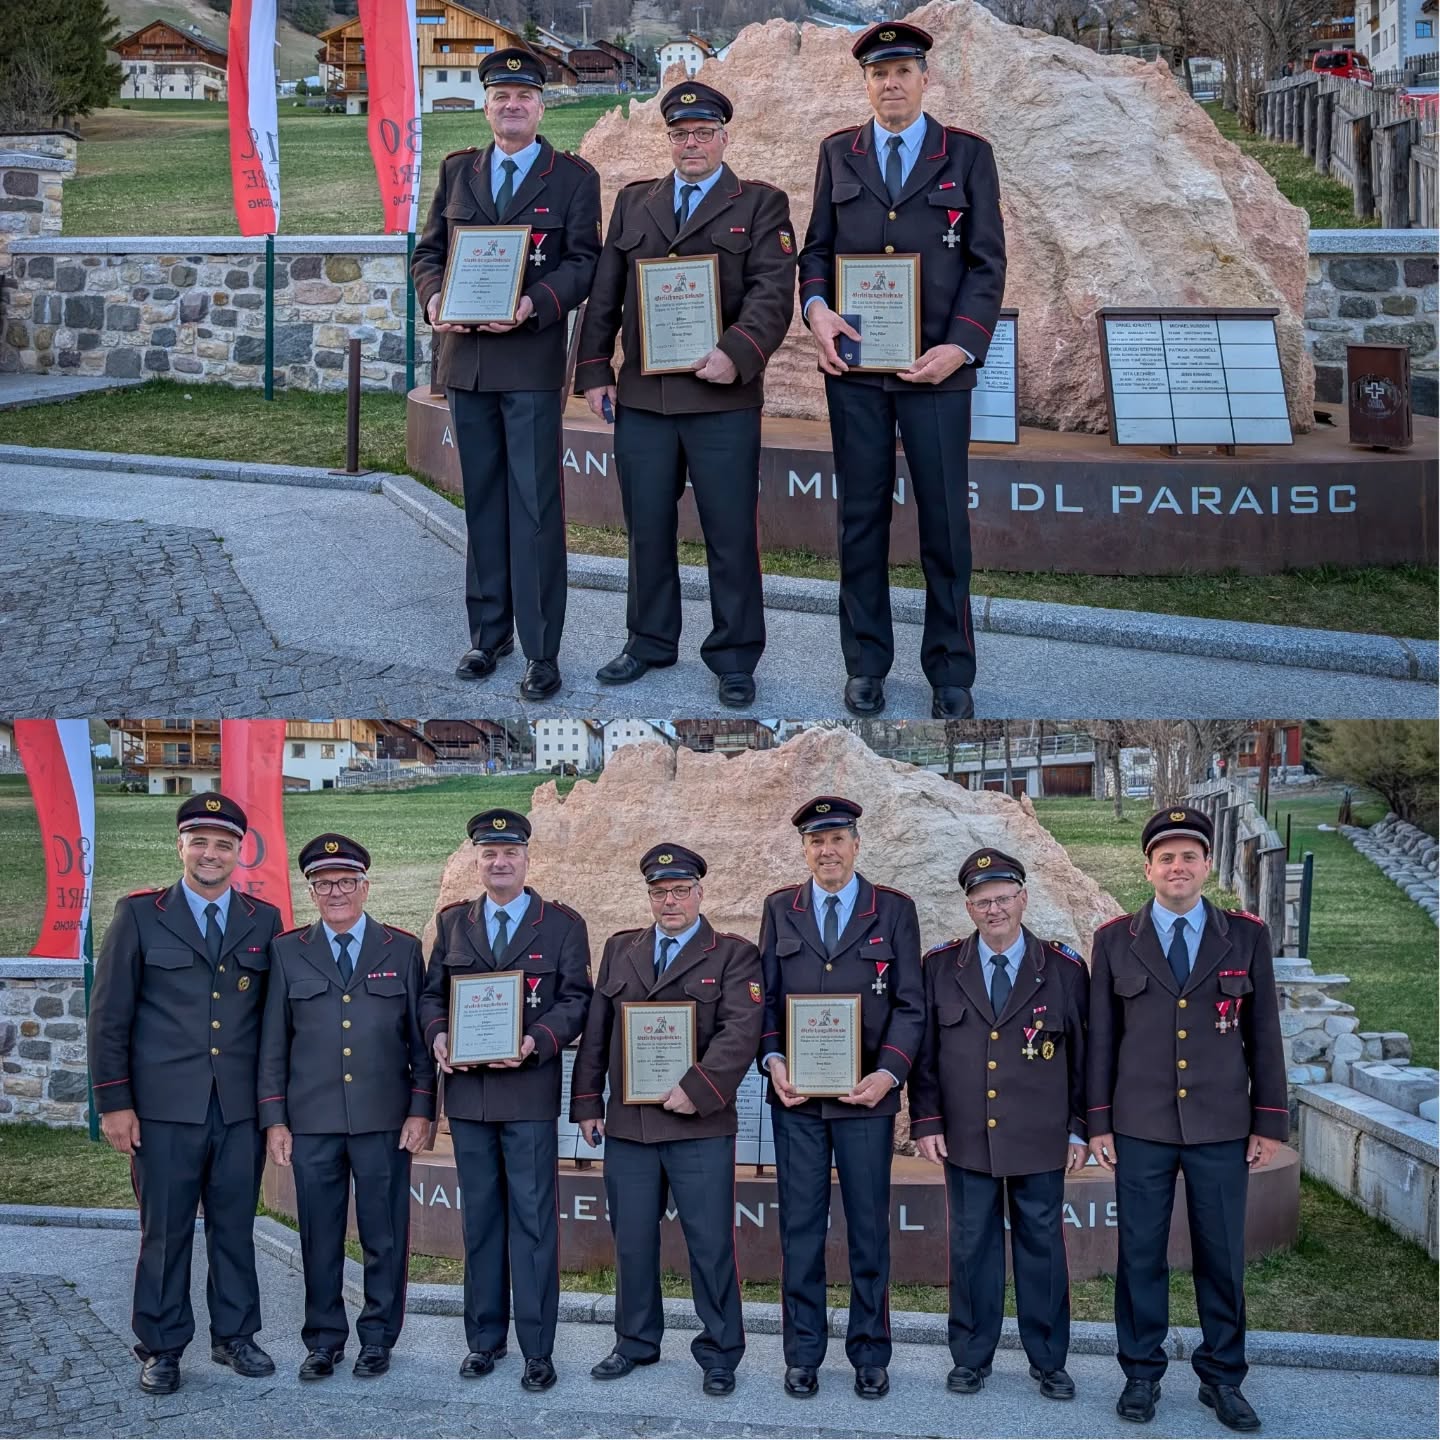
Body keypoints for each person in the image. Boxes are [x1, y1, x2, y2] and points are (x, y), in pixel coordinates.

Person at [797, 21, 1006, 721]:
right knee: (860, 519)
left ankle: (950, 669)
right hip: (856, 370)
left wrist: (962, 346)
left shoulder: (967, 155)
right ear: (866, 84)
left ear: (924, 78)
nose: (891, 84)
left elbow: (987, 263)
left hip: (936, 371)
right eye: (878, 74)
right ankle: (865, 664)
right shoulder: (838, 152)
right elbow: (816, 251)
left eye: (902, 71)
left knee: (944, 523)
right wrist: (818, 312)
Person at [574, 81, 797, 710]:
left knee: (730, 532)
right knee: (646, 528)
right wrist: (594, 368)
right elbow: (606, 291)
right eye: (679, 133)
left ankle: (735, 656)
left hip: (722, 397)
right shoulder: (635, 201)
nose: (690, 143)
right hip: (645, 399)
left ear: (724, 138)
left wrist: (739, 352)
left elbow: (773, 291)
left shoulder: (760, 203)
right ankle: (649, 641)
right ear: (668, 138)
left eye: (702, 133)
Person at [1087, 807, 1288, 1433]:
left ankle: (1223, 1377)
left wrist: (1268, 1122)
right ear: (1148, 869)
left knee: (1221, 1256)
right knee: (1140, 1253)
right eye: (1166, 857)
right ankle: (1141, 1373)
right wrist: (1098, 1123)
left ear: (1206, 865)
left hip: (1221, 1126)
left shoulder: (1245, 937)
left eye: (1189, 857)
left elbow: (1264, 1035)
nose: (1178, 867)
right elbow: (1101, 1041)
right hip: (1140, 1125)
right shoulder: (1114, 940)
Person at [411, 46, 602, 702]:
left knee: (536, 507)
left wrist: (533, 304)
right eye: (501, 96)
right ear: (487, 106)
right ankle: (488, 636)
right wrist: (434, 298)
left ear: (541, 106)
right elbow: (429, 253)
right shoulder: (458, 169)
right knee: (484, 503)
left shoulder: (572, 178)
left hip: (529, 362)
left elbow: (584, 262)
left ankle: (542, 651)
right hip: (466, 363)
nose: (512, 105)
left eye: (523, 96)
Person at [87, 793, 282, 1395]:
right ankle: (162, 1346)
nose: (210, 854)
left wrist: (272, 1109)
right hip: (163, 1111)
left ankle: (235, 1336)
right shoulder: (139, 915)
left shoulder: (263, 919)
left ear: (239, 852)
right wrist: (114, 1103)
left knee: (235, 1227)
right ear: (181, 847)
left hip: (238, 1109)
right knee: (165, 1232)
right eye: (200, 842)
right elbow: (108, 1017)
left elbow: (272, 1023)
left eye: (223, 844)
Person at [569, 844, 764, 1395]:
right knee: (631, 1241)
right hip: (629, 1127)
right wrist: (587, 1101)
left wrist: (697, 1089)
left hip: (698, 1125)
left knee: (710, 1244)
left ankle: (720, 1351)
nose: (670, 901)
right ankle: (634, 1341)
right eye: (659, 892)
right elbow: (599, 1029)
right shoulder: (620, 948)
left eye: (680, 890)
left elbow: (740, 1031)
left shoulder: (733, 955)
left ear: (700, 893)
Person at [755, 796, 925, 1400]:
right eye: (815, 841)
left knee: (868, 1231)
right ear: (804, 850)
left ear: (856, 844)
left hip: (866, 1101)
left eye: (836, 840)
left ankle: (870, 1352)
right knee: (800, 1229)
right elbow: (765, 999)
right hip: (798, 1102)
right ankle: (803, 1353)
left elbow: (911, 1004)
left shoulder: (894, 910)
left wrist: (889, 1074)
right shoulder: (781, 908)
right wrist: (773, 1060)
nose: (827, 851)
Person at [419, 808, 593, 1391]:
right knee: (481, 1222)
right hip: (469, 1100)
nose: (499, 862)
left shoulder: (561, 925)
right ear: (477, 859)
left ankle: (538, 1350)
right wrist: (439, 1034)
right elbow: (431, 996)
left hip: (528, 1095)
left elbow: (577, 1000)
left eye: (510, 853)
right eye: (489, 853)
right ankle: (484, 1340)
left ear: (526, 859)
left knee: (534, 1224)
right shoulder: (453, 923)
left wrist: (536, 1040)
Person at [908, 848, 1088, 1400]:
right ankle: (970, 1356)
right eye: (983, 901)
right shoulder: (941, 967)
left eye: (1003, 898)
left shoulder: (1063, 969)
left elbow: (1085, 1057)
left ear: (1023, 899)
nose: (994, 910)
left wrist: (1079, 1127)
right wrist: (927, 1121)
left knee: (1043, 1248)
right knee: (971, 1248)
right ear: (968, 907)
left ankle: (1049, 1360)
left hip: (1039, 1135)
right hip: (966, 1135)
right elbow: (925, 1055)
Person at [257, 833, 435, 1381]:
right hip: (313, 1122)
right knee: (319, 1236)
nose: (335, 892)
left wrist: (421, 1108)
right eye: (323, 883)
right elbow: (273, 1043)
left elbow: (419, 1038)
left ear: (365, 886)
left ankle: (378, 1338)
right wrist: (275, 1118)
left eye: (346, 881)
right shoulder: (288, 951)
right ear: (311, 891)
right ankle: (323, 1340)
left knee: (385, 1235)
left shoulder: (401, 948)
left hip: (384, 1119)